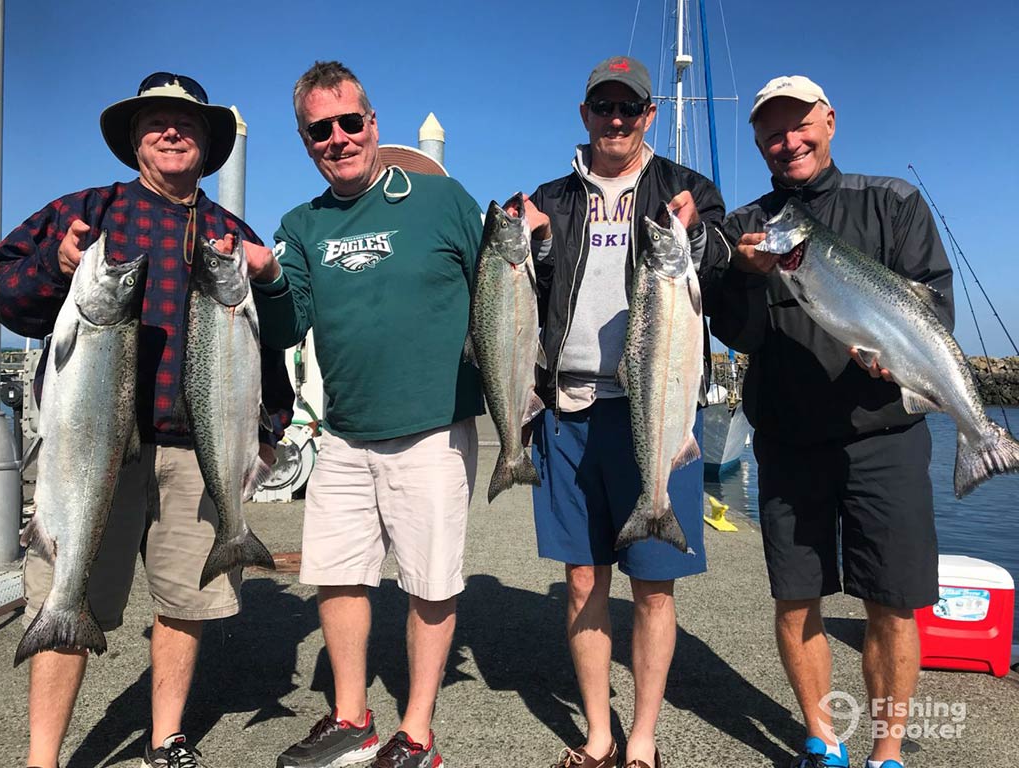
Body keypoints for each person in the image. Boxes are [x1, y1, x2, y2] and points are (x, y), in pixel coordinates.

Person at [0, 73, 293, 768]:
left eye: (186, 122)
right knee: (66, 593)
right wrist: (55, 262)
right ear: (134, 139)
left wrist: (265, 430)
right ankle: (42, 759)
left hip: (198, 451)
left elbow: (263, 349)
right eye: (155, 120)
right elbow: (6, 293)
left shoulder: (232, 237)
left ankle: (167, 738)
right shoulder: (87, 212)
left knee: (183, 601)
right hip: (94, 448)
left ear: (209, 142)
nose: (170, 130)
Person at [710, 75, 953, 768]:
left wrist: (900, 362)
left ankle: (888, 752)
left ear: (830, 122)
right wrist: (749, 275)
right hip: (788, 441)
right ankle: (824, 740)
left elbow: (932, 309)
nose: (789, 142)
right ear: (758, 143)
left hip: (886, 433)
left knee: (892, 603)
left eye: (800, 125)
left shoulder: (892, 202)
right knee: (796, 599)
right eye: (773, 133)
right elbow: (739, 336)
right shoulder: (748, 225)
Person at [245, 60, 483, 768]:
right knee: (338, 574)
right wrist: (270, 279)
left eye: (351, 122)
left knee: (430, 583)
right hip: (344, 431)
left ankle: (417, 732)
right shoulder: (302, 222)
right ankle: (352, 719)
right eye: (321, 129)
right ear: (305, 139)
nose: (339, 138)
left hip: (433, 428)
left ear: (373, 123)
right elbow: (289, 328)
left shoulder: (442, 201)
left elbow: (503, 292)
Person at [522, 56, 728, 768]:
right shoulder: (552, 196)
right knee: (582, 577)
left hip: (656, 403)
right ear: (585, 114)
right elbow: (526, 291)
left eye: (628, 109)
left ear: (647, 115)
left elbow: (723, 256)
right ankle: (598, 734)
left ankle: (641, 738)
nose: (615, 120)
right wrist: (536, 244)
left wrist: (697, 235)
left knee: (652, 582)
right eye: (603, 107)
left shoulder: (684, 189)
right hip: (570, 407)